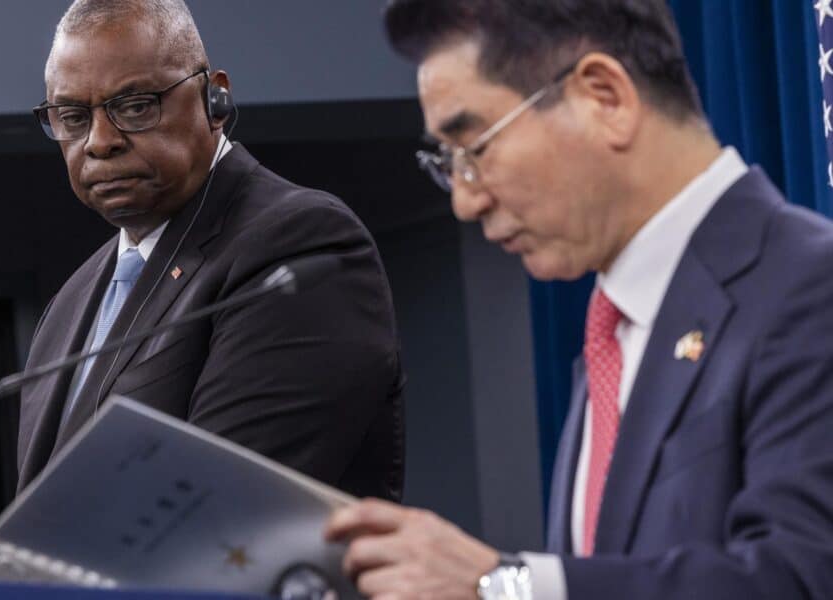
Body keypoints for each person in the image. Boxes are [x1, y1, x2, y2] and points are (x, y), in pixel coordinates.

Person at [326, 1, 833, 598]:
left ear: (605, 98)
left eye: (475, 148)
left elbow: (804, 577)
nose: (465, 201)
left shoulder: (811, 284)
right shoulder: (612, 330)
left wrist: (504, 586)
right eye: (449, 163)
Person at [16, 0, 404, 502]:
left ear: (214, 99)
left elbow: (216, 511)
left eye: (135, 107)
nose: (100, 142)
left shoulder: (299, 245)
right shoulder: (67, 306)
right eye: (72, 116)